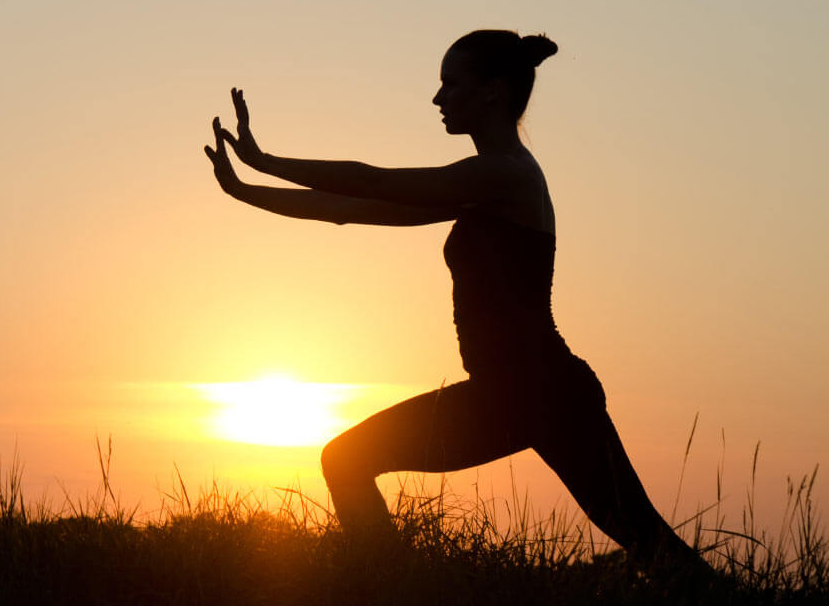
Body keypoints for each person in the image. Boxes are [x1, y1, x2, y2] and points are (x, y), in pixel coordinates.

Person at [202, 29, 704, 570]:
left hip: (543, 391)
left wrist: (267, 161)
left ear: (491, 92)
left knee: (346, 459)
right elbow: (349, 206)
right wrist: (245, 189)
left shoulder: (504, 174)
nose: (438, 98)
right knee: (653, 548)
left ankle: (392, 596)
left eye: (450, 83)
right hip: (516, 394)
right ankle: (395, 597)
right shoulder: (482, 186)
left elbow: (372, 181)